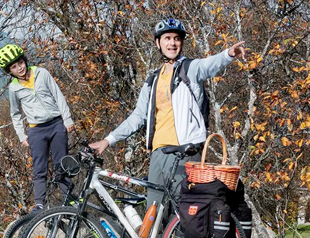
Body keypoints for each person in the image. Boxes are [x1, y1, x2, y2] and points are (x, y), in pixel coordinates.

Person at [90, 18, 246, 209]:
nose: (172, 43)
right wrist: (108, 140)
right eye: (167, 38)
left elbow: (208, 65)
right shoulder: (153, 79)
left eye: (177, 39)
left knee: (183, 214)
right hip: (159, 152)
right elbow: (138, 117)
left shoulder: (190, 68)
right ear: (158, 43)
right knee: (154, 212)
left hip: (186, 152)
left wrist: (229, 54)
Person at [0, 43, 75, 212]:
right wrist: (21, 135)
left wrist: (67, 119)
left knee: (62, 164)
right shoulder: (14, 88)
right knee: (39, 168)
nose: (20, 68)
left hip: (56, 124)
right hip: (36, 130)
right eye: (14, 67)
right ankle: (40, 203)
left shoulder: (42, 73)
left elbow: (58, 95)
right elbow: (15, 113)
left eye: (21, 63)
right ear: (9, 71)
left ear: (25, 60)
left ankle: (68, 198)